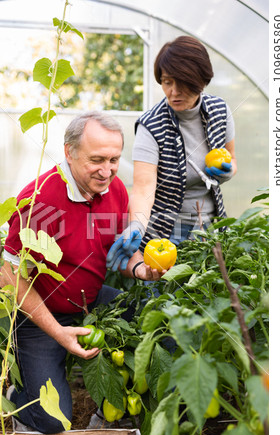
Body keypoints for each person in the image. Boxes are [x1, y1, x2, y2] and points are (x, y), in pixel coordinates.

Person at [0, 111, 165, 434]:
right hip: (42, 312)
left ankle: (111, 412)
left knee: (158, 319)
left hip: (90, 300)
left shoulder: (113, 190)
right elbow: (10, 277)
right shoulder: (40, 201)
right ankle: (19, 396)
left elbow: (117, 253)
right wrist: (57, 332)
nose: (107, 171)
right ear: (69, 152)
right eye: (97, 160)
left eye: (115, 159)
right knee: (52, 421)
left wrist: (142, 269)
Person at [106, 35, 237, 268]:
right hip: (166, 234)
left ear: (201, 81)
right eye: (167, 82)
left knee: (214, 295)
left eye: (183, 83)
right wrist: (137, 225)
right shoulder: (151, 125)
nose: (174, 92)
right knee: (163, 300)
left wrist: (226, 172)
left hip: (212, 228)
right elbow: (144, 187)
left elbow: (232, 160)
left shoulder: (220, 112)